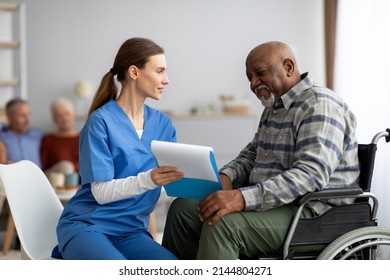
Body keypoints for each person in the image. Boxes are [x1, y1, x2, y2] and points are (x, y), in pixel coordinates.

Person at [162, 41, 360, 260]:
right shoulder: (274, 108)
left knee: (223, 224)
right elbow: (252, 155)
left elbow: (310, 175)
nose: (253, 83)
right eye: (249, 77)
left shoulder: (319, 104)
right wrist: (226, 177)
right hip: (276, 204)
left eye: (260, 73)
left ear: (288, 67)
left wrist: (241, 199)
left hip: (314, 213)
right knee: (182, 210)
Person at [52, 37, 183, 260]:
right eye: (159, 71)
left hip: (131, 232)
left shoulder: (164, 125)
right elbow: (101, 193)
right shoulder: (100, 121)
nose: (166, 79)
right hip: (88, 225)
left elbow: (163, 184)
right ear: (134, 72)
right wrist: (150, 179)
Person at [0, 98, 45, 167]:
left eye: (29, 115)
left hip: (38, 175)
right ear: (9, 117)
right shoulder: (2, 137)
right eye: (22, 116)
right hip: (11, 174)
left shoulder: (40, 135)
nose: (28, 120)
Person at [40, 97, 79, 178]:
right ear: (54, 119)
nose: (64, 118)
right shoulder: (48, 139)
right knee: (66, 166)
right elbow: (43, 167)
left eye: (67, 114)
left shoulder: (84, 137)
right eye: (59, 116)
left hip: (79, 179)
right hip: (54, 179)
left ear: (74, 115)